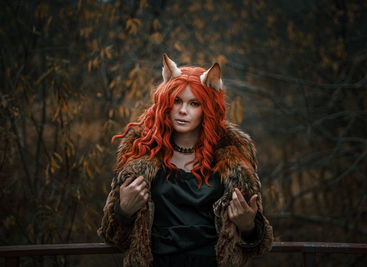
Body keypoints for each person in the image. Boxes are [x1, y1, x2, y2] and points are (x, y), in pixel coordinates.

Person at [97, 54, 273, 267]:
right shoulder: (141, 153)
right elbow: (112, 237)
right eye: (177, 101)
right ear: (165, 104)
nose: (182, 110)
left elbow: (259, 245)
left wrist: (248, 226)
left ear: (207, 108)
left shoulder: (234, 157)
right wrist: (123, 211)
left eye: (194, 103)